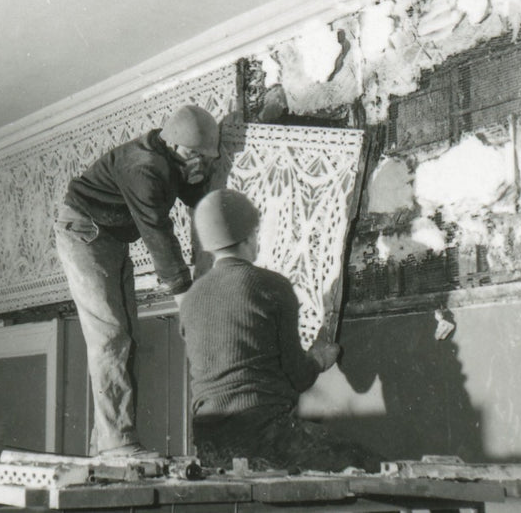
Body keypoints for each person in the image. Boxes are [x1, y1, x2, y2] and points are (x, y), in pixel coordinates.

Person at [54, 104, 220, 458]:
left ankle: (108, 443)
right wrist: (184, 300)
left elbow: (187, 191)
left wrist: (196, 182)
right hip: (84, 232)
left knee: (123, 335)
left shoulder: (167, 157)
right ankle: (117, 443)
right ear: (180, 149)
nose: (202, 164)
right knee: (110, 335)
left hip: (108, 235)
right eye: (198, 158)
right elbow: (158, 235)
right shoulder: (143, 168)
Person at [179, 188, 379, 472]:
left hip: (208, 443)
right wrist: (320, 359)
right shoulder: (269, 285)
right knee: (367, 465)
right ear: (249, 235)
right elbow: (298, 377)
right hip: (262, 437)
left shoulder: (191, 298)